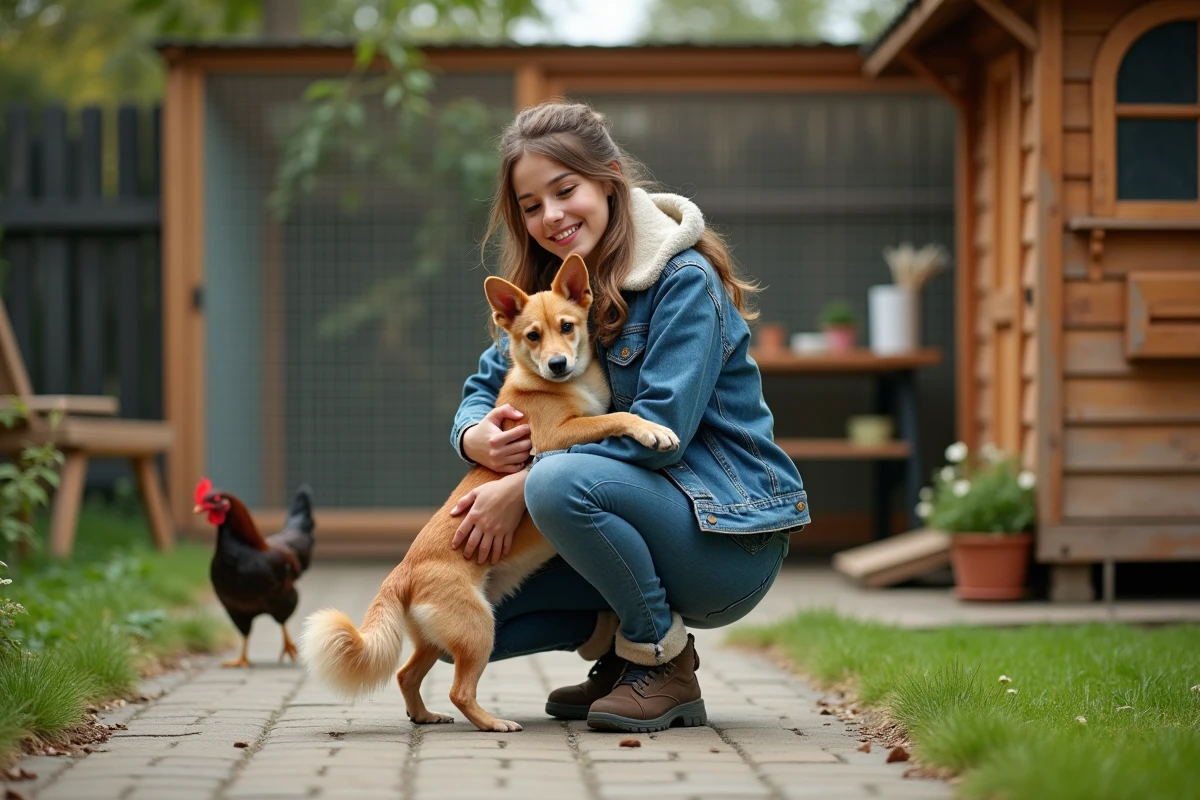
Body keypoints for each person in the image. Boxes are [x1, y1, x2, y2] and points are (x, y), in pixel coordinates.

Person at [445, 101, 810, 733]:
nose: (551, 216)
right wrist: (476, 436)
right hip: (639, 514)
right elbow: (483, 387)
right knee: (470, 611)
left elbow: (661, 434)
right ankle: (618, 654)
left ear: (609, 178)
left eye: (565, 190)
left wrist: (522, 485)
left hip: (726, 538)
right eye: (531, 206)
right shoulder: (546, 297)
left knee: (557, 483)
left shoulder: (681, 282)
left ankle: (660, 661)